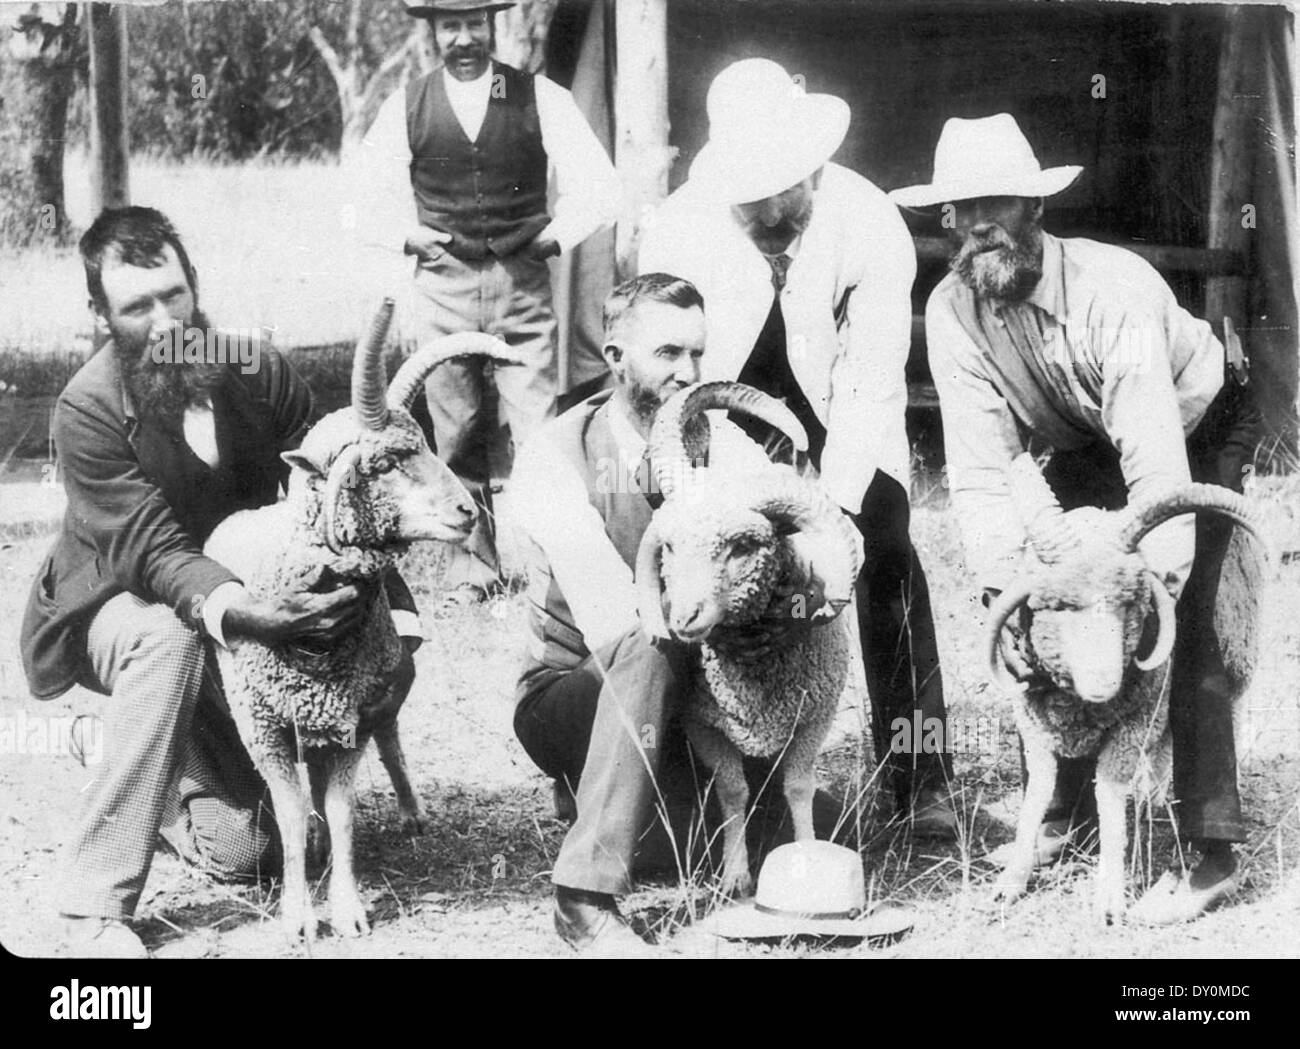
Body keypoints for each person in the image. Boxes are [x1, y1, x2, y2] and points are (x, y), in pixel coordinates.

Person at [19, 207, 422, 957]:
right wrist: (250, 613)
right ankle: (91, 906)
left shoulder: (253, 366)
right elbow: (154, 552)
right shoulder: (87, 408)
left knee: (254, 850)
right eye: (136, 306)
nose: (164, 318)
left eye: (174, 295)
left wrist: (390, 618)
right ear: (100, 314)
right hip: (123, 602)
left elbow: (343, 489)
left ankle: (161, 775)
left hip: (246, 601)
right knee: (170, 632)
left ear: (195, 284)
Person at [892, 113, 1261, 923]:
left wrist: (1146, 594)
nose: (981, 224)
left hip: (1193, 423)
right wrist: (1013, 601)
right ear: (945, 221)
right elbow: (985, 479)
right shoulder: (954, 311)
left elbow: (1158, 476)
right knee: (1052, 597)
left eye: (1001, 205)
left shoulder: (1113, 292)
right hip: (1082, 433)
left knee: (1182, 615)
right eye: (963, 209)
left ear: (1038, 211)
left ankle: (1211, 849)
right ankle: (1062, 814)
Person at [639, 59, 955, 833]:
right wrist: (736, 495)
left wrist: (832, 515)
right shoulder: (676, 226)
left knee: (887, 555)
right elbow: (681, 380)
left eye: (789, 193)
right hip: (727, 414)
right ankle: (719, 765)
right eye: (754, 202)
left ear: (816, 166)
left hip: (841, 411)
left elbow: (874, 379)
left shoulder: (871, 219)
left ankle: (925, 777)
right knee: (718, 565)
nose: (774, 213)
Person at [510, 273, 844, 954]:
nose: (687, 372)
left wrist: (805, 586)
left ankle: (651, 810)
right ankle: (583, 898)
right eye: (667, 353)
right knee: (651, 641)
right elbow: (618, 621)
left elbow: (791, 540)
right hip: (578, 693)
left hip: (700, 696)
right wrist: (741, 604)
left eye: (697, 354)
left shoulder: (720, 440)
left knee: (831, 828)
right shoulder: (556, 456)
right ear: (614, 356)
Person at [355, 0, 620, 614]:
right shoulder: (408, 105)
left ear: (492, 26)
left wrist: (553, 238)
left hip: (521, 287)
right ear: (432, 32)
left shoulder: (540, 96)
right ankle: (471, 565)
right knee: (455, 428)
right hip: (442, 287)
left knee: (541, 433)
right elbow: (358, 197)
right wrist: (406, 236)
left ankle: (559, 567)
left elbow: (601, 185)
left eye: (475, 24)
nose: (465, 38)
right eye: (452, 26)